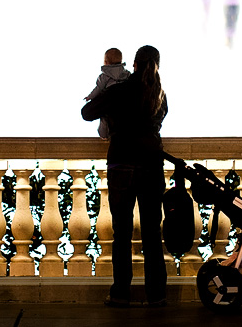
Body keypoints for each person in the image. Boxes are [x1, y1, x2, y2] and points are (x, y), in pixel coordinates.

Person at [81, 45, 168, 307]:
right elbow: (161, 117)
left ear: (134, 64)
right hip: (151, 164)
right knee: (152, 232)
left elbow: (87, 113)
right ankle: (156, 295)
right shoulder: (159, 94)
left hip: (121, 164)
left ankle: (120, 293)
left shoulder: (119, 90)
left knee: (122, 233)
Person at [84, 47, 131, 139]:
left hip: (108, 103)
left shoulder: (104, 76)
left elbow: (98, 89)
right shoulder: (127, 74)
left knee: (105, 118)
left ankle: (104, 136)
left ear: (105, 62)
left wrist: (90, 97)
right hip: (122, 103)